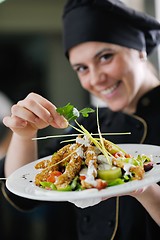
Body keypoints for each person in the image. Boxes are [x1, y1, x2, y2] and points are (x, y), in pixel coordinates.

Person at [1, 0, 160, 239]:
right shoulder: (87, 126)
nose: (96, 78)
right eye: (82, 68)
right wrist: (24, 135)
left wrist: (144, 189)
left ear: (139, 50)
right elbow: (21, 196)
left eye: (105, 57)